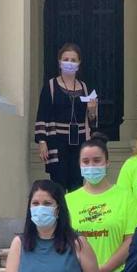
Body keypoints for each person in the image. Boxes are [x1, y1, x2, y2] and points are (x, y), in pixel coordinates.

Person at [65, 136, 137, 272]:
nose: (91, 165)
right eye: (86, 161)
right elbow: (64, 240)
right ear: (79, 164)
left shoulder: (125, 197)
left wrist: (103, 271)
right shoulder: (68, 200)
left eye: (97, 160)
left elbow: (131, 239)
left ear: (107, 162)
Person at [34, 42, 99, 192]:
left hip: (79, 142)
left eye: (73, 60)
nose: (69, 63)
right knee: (58, 185)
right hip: (57, 142)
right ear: (59, 62)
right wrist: (42, 141)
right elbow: (42, 114)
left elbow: (91, 122)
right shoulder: (50, 86)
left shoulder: (84, 87)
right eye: (66, 59)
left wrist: (92, 110)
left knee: (77, 184)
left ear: (79, 63)